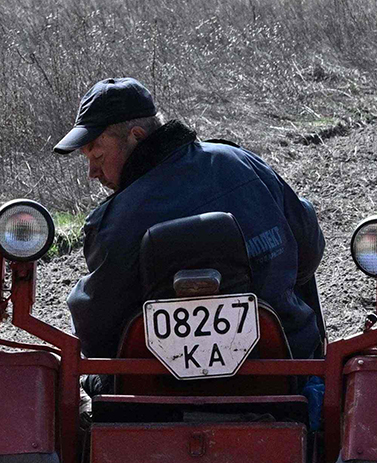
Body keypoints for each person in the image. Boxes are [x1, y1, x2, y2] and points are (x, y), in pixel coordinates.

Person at [55, 78, 325, 364]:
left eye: (97, 154)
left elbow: (96, 335)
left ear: (137, 136)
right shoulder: (243, 163)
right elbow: (309, 251)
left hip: (150, 393)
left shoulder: (113, 222)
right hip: (280, 371)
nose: (92, 172)